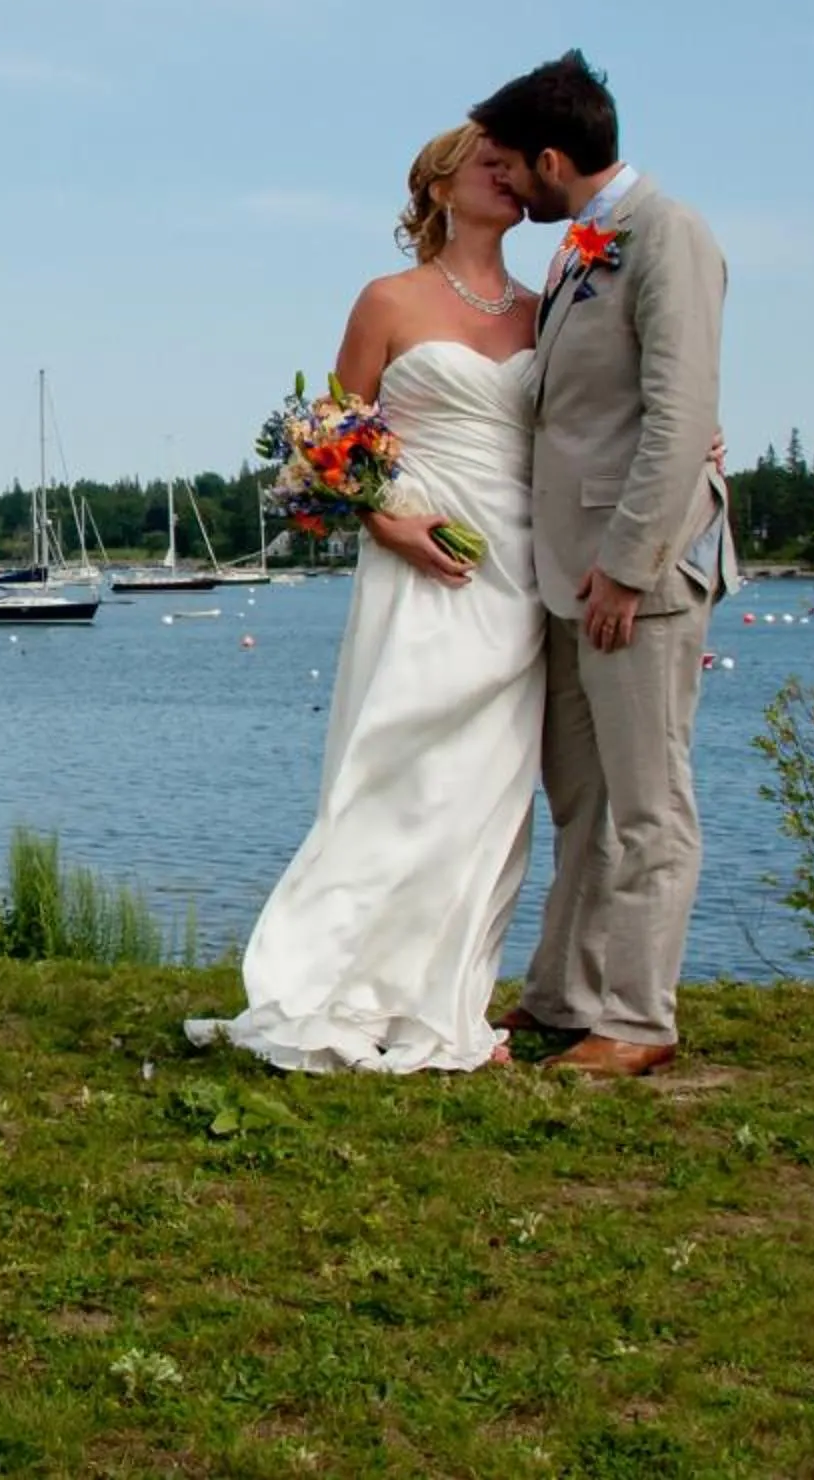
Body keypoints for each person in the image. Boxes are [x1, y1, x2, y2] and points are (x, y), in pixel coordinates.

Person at [185, 123, 546, 1073]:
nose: (510, 176)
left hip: (519, 569)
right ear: (437, 185)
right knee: (396, 773)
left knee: (487, 793)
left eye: (516, 163)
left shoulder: (549, 310)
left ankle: (450, 1002)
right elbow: (330, 446)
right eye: (489, 163)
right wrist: (389, 523)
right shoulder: (388, 300)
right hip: (419, 559)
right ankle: (333, 985)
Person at [475, 49, 735, 1079]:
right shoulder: (586, 245)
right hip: (565, 573)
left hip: (638, 577)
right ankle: (564, 993)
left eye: (511, 166)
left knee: (648, 800)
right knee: (580, 798)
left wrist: (629, 565)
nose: (506, 184)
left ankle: (637, 1017)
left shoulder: (667, 234)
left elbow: (681, 414)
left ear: (551, 159)